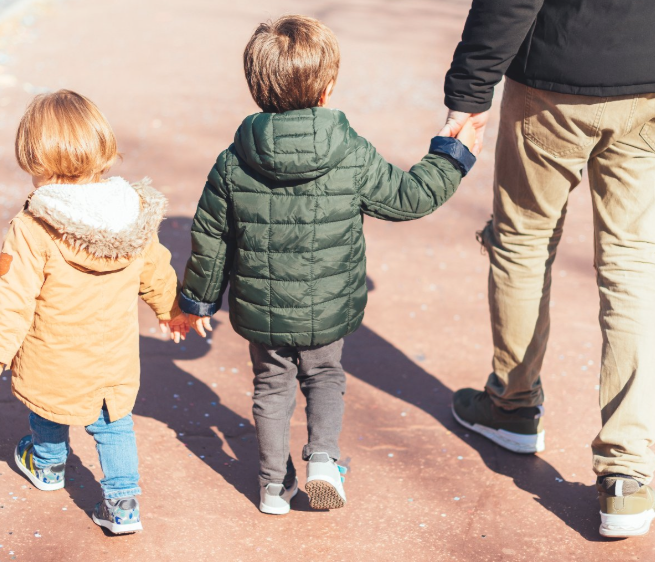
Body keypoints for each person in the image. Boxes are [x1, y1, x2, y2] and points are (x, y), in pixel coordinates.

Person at [178, 15, 477, 515]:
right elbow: (409, 197)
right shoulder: (350, 153)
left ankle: (274, 486)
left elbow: (211, 235)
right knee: (325, 376)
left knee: (271, 387)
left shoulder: (233, 160)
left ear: (256, 86)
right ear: (327, 87)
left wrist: (198, 300)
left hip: (264, 313)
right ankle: (323, 459)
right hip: (327, 308)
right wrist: (452, 153)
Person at [441, 0, 655, 538]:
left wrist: (468, 92)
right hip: (654, 81)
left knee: (523, 239)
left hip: (555, 78)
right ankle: (627, 474)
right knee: (634, 263)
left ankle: (513, 405)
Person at [0, 90, 189, 535]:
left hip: (54, 354)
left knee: (48, 405)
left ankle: (48, 466)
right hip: (113, 357)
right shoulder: (132, 213)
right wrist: (171, 310)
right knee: (113, 424)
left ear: (33, 157)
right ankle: (123, 504)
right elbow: (155, 267)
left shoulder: (34, 226)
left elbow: (12, 295)